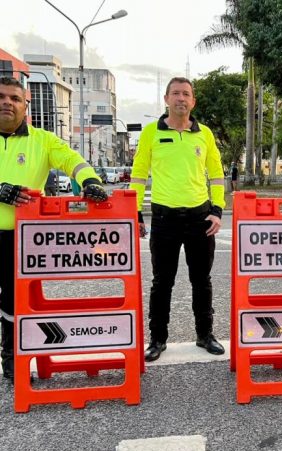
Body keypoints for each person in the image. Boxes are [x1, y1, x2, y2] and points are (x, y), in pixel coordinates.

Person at [0, 76, 108, 381]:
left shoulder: (43, 140)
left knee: (13, 300)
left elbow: (72, 160)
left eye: (14, 98)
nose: (7, 102)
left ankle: (11, 356)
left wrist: (90, 181)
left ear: (25, 106)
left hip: (19, 237)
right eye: (1, 97)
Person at [131, 77, 226, 362]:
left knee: (202, 280)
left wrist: (217, 210)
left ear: (193, 101)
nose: (181, 98)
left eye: (186, 94)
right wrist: (135, 212)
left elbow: (216, 174)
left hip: (200, 218)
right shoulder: (151, 132)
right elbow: (139, 174)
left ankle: (205, 334)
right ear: (166, 99)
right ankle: (157, 339)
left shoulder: (204, 134)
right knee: (162, 282)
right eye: (175, 93)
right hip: (164, 218)